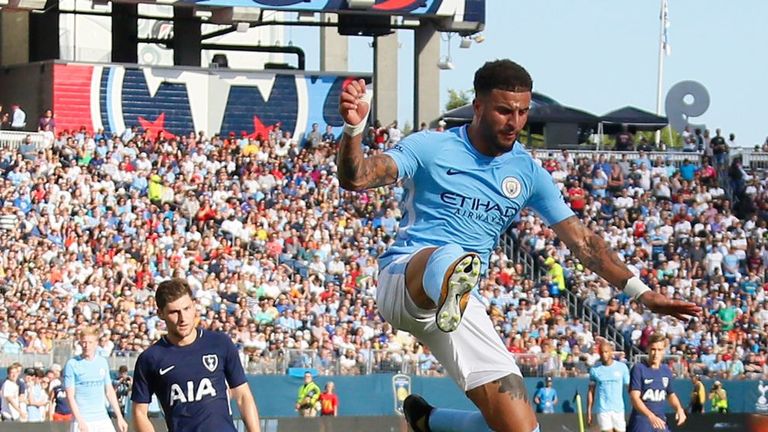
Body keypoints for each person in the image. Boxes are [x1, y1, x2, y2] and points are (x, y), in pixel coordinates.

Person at [336, 59, 700, 432]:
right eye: (504, 110)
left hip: (460, 305)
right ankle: (449, 282)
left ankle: (428, 420)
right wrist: (354, 127)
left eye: (523, 112)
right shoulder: (432, 147)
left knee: (521, 428)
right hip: (405, 280)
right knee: (451, 256)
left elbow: (585, 244)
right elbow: (357, 177)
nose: (515, 122)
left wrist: (642, 293)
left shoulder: (526, 172)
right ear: (477, 106)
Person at [130, 278, 261, 432]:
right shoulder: (150, 358)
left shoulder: (220, 343)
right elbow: (139, 411)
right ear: (160, 314)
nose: (183, 318)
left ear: (194, 307)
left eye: (187, 309)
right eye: (174, 312)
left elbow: (243, 396)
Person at [64, 327, 128, 432]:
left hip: (102, 419)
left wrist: (119, 417)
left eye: (90, 342)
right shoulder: (72, 364)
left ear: (96, 343)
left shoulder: (102, 362)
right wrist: (80, 421)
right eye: (84, 342)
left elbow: (109, 391)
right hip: (82, 420)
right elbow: (70, 396)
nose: (87, 346)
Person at [627, 333, 686, 432]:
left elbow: (670, 394)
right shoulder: (639, 368)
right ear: (647, 349)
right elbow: (634, 398)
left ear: (664, 351)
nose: (656, 353)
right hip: (642, 422)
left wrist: (679, 409)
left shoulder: (666, 370)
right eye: (653, 349)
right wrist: (650, 415)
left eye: (659, 350)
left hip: (660, 422)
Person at [588, 340, 630, 432]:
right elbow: (591, 392)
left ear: (611, 352)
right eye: (602, 352)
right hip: (603, 410)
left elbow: (629, 388)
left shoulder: (622, 367)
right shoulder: (595, 370)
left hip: (619, 409)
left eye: (606, 352)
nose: (604, 354)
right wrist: (589, 411)